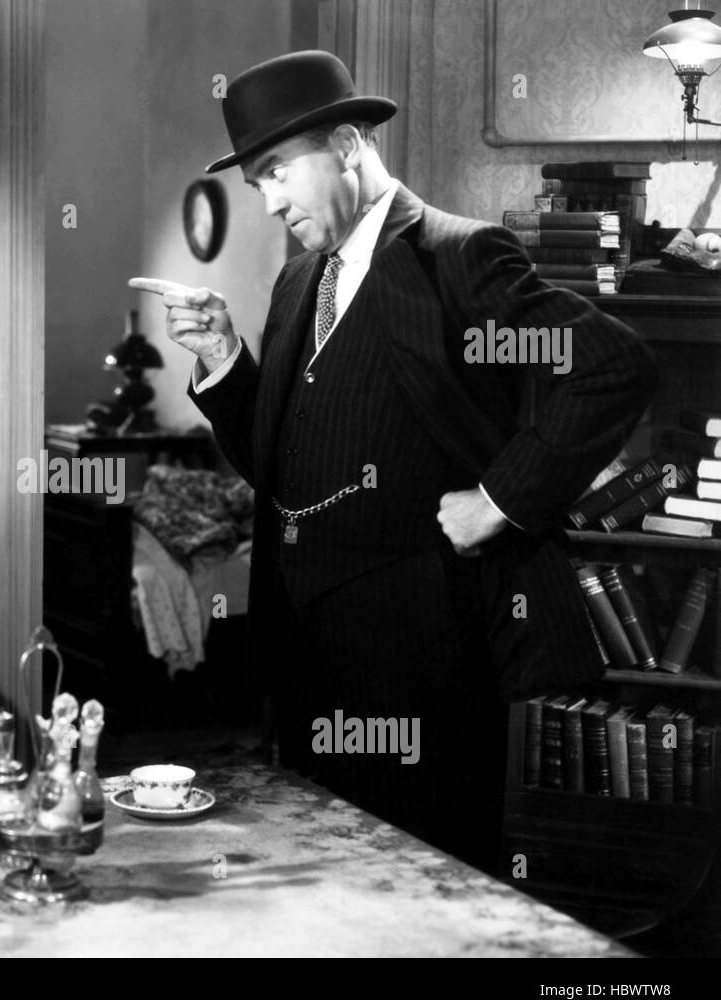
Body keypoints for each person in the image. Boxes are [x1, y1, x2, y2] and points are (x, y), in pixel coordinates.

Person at [132, 50, 656, 872]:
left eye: (275, 173)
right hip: (304, 660)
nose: (269, 203)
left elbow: (611, 366)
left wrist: (500, 497)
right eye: (255, 183)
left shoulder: (461, 258)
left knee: (428, 886)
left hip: (426, 664)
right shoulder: (302, 276)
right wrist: (228, 360)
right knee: (322, 887)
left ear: (345, 146)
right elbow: (285, 464)